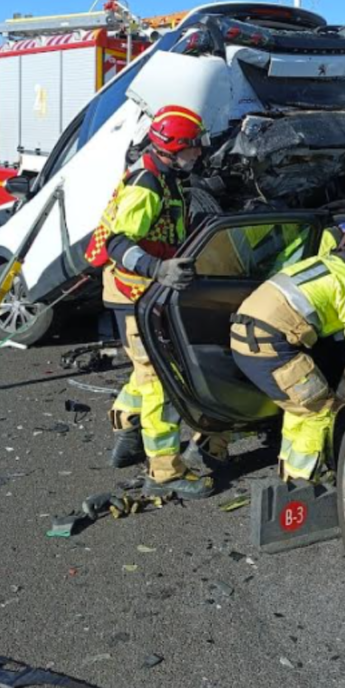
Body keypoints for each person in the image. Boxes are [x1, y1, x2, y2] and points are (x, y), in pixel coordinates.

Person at [85, 104, 216, 500]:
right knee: (160, 379)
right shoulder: (147, 185)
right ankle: (164, 472)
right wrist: (158, 269)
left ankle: (127, 425)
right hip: (134, 293)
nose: (199, 152)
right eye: (193, 146)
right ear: (172, 147)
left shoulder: (165, 176)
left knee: (146, 369)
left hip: (142, 292)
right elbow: (117, 243)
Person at [230, 239, 345, 482]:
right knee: (319, 408)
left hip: (243, 335)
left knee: (298, 405)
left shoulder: (326, 263)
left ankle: (288, 473)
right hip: (268, 345)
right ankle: (304, 482)